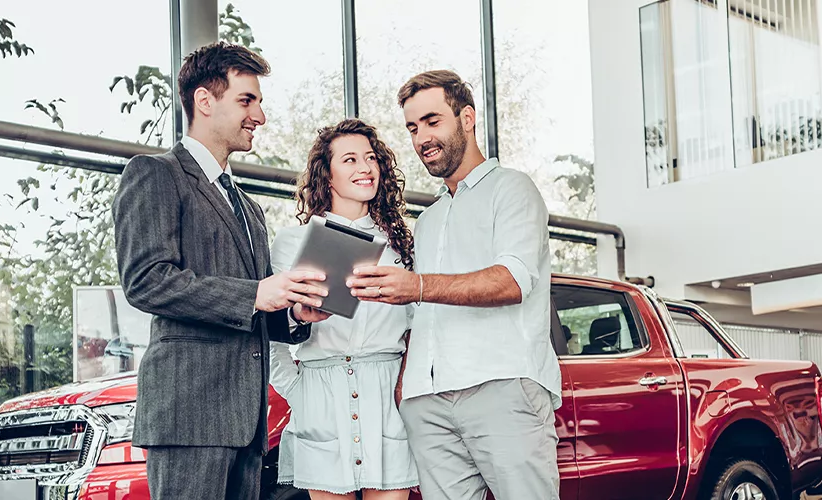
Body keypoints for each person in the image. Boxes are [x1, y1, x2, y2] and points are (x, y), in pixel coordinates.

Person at [113, 41, 331, 500]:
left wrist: (293, 316)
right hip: (189, 417)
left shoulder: (248, 207)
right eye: (246, 101)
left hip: (246, 422)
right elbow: (146, 280)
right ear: (205, 101)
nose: (260, 116)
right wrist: (254, 294)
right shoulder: (155, 174)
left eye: (259, 103)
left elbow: (258, 306)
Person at [346, 69, 562, 500]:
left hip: (503, 387)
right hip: (427, 403)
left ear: (467, 118)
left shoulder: (513, 189)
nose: (422, 137)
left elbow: (511, 282)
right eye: (412, 127)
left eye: (432, 120)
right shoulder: (427, 220)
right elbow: (414, 313)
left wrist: (418, 286)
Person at [268, 119, 420, 499]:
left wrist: (404, 386)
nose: (365, 168)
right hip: (320, 394)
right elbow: (271, 335)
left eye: (371, 158)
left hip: (387, 397)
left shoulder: (401, 247)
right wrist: (299, 391)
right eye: (350, 159)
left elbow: (420, 329)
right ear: (327, 175)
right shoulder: (291, 244)